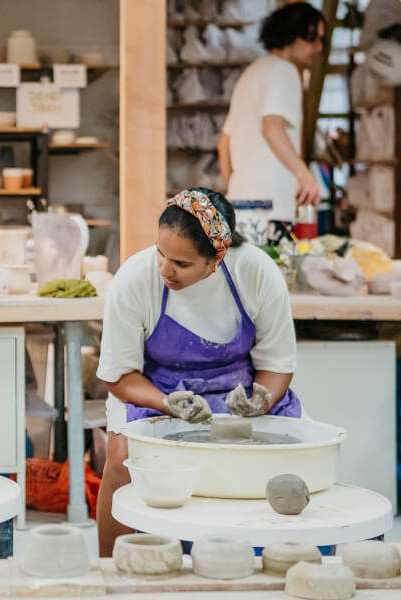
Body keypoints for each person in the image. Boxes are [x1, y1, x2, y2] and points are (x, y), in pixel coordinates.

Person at [95, 188, 301, 556]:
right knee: (122, 460)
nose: (165, 269)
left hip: (238, 394)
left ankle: (264, 560)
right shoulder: (134, 280)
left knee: (287, 461)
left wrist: (262, 399)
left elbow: (277, 365)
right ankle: (115, 569)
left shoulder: (255, 272)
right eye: (160, 253)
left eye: (182, 264)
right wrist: (166, 403)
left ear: (216, 261)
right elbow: (118, 376)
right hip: (155, 391)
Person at [218, 2, 326, 222]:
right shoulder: (284, 71)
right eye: (312, 39)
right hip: (271, 210)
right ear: (292, 35)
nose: (318, 48)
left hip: (239, 205)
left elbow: (223, 144)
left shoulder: (251, 72)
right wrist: (304, 175)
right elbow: (272, 128)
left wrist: (239, 192)